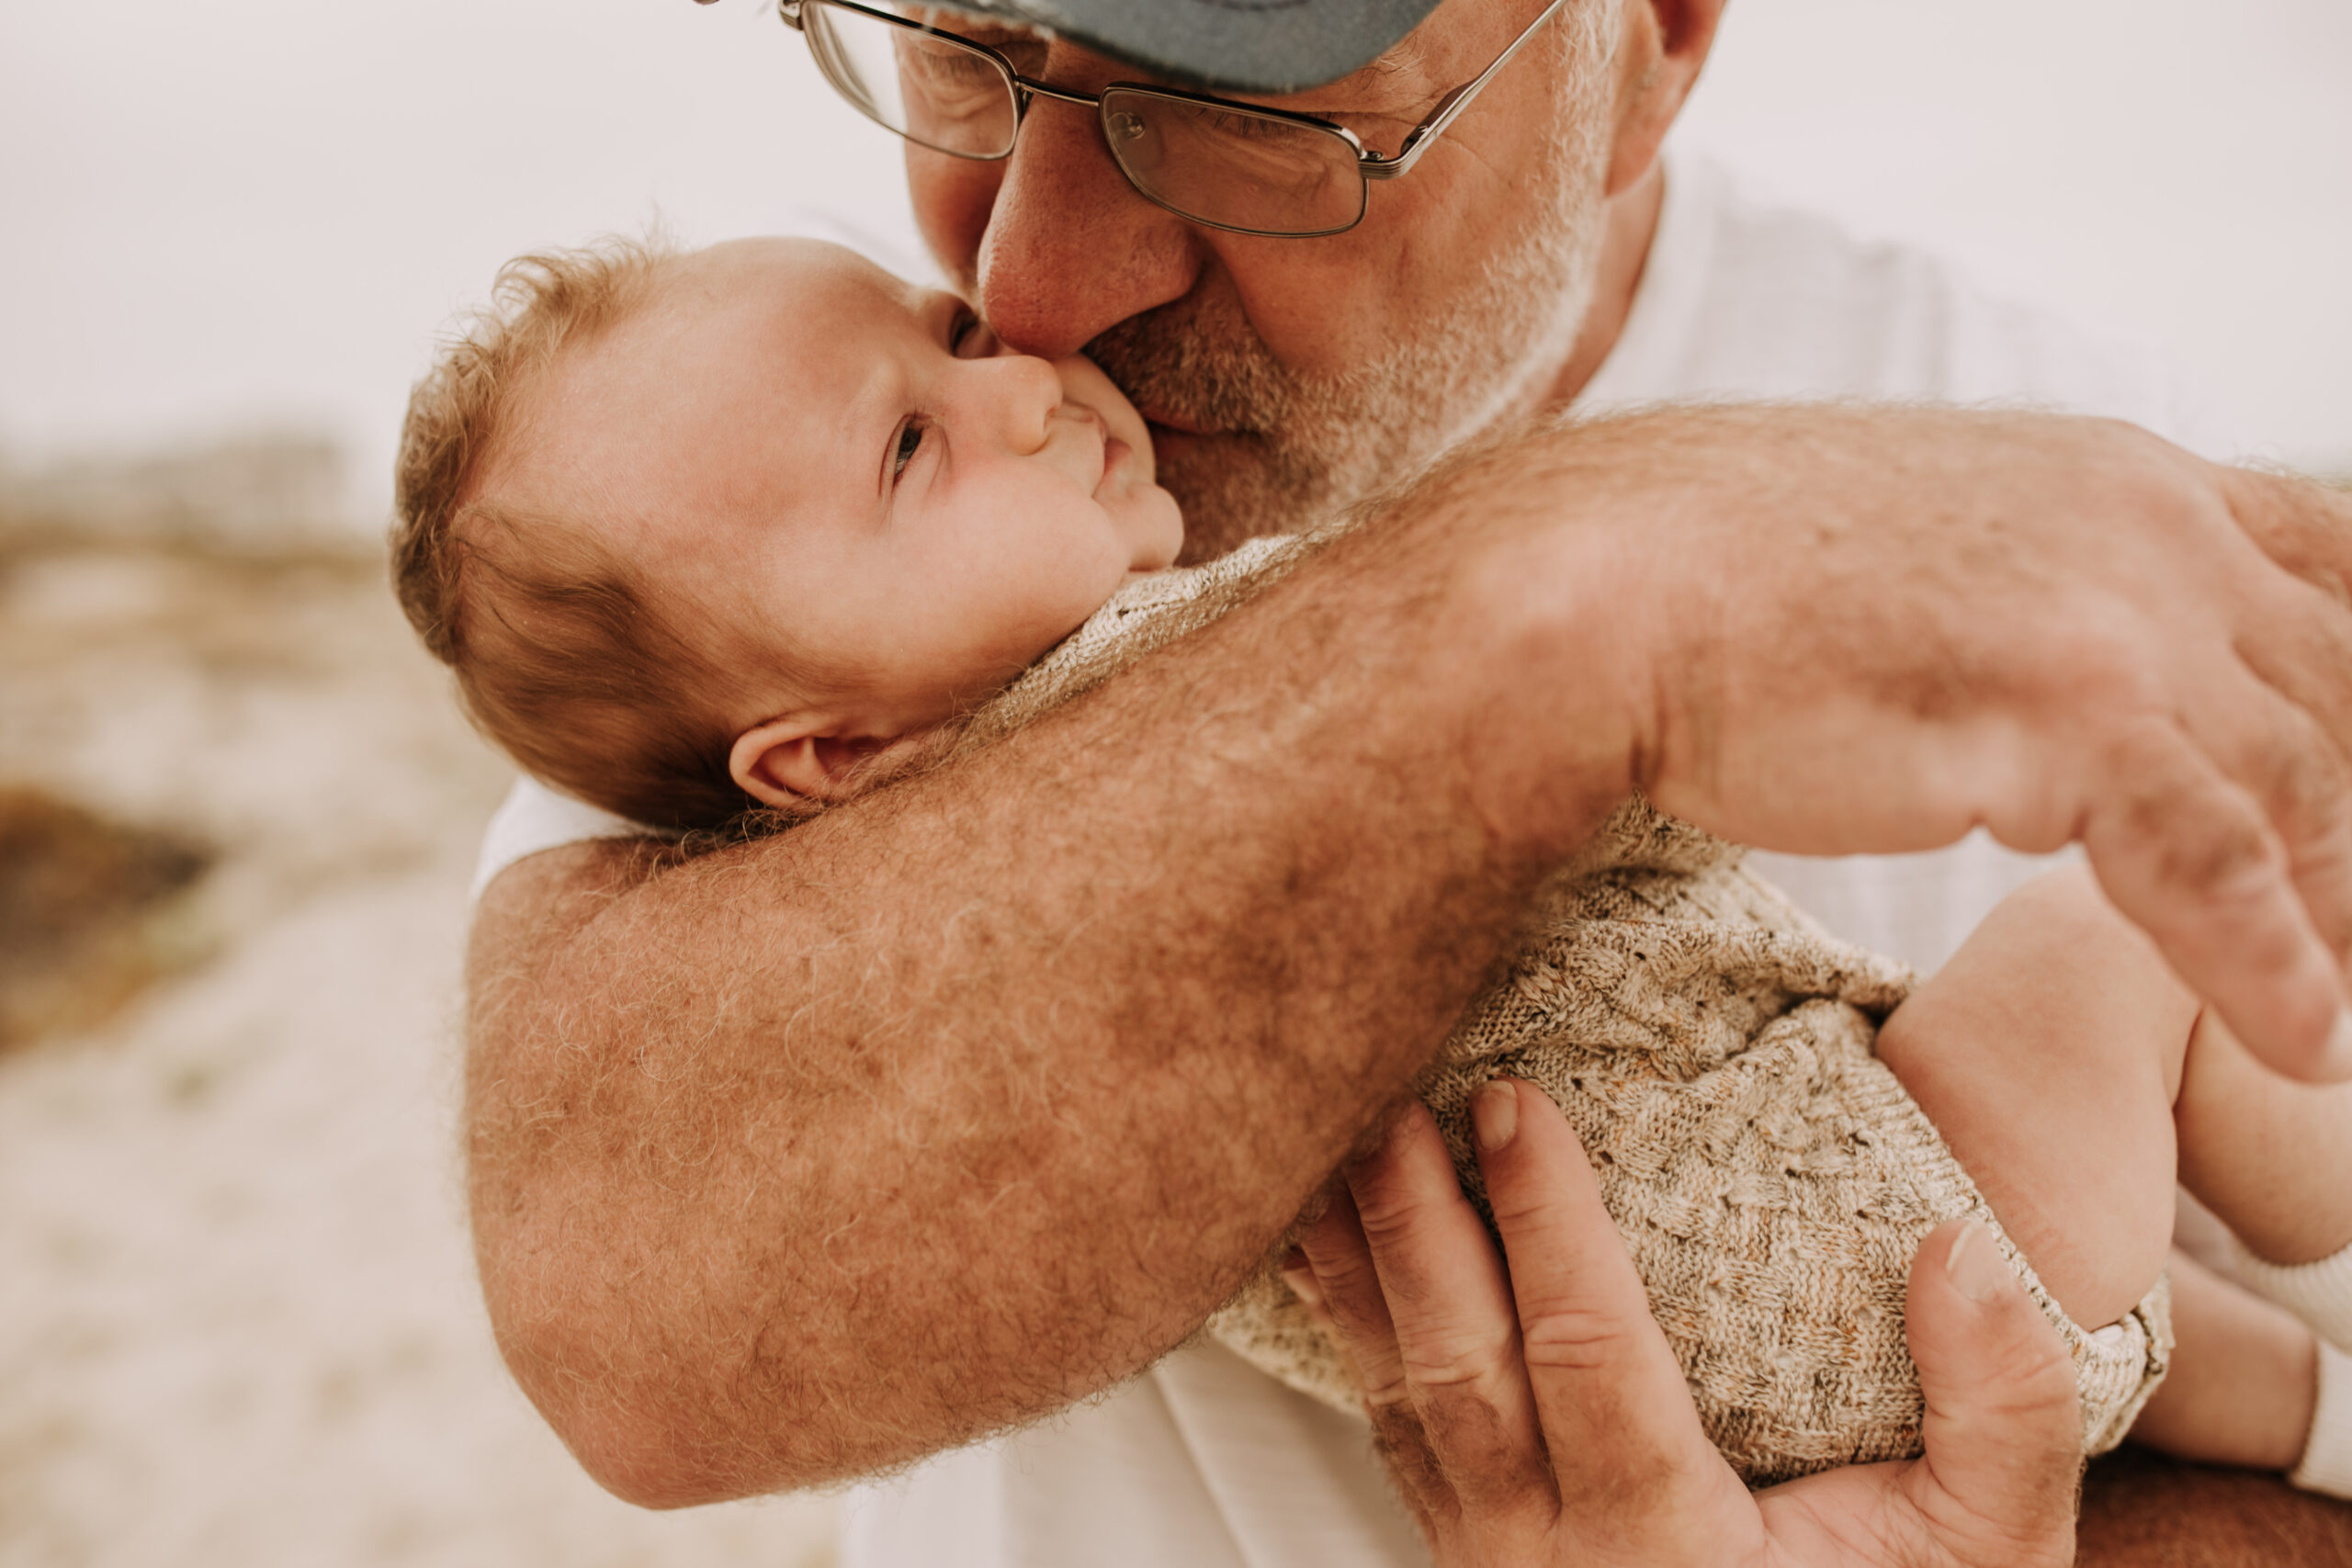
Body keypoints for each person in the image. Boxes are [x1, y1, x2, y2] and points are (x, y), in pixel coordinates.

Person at [455, 0, 2352, 1560]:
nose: (1028, 284)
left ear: (1655, 42)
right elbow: (627, 1316)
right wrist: (1558, 601)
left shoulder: (2132, 474)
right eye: (962, 49)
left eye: (1228, 104)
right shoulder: (734, 552)